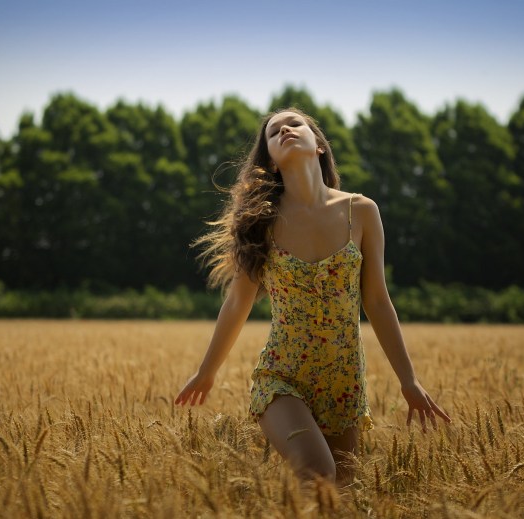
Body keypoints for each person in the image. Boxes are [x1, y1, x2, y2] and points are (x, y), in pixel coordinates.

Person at [174, 107, 451, 485]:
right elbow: (238, 302)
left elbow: (377, 301)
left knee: (340, 495)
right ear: (270, 161)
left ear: (319, 145)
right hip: (283, 377)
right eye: (274, 132)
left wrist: (408, 380)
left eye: (295, 124)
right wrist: (206, 373)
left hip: (345, 380)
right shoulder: (261, 221)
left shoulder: (362, 211)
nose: (285, 130)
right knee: (318, 473)